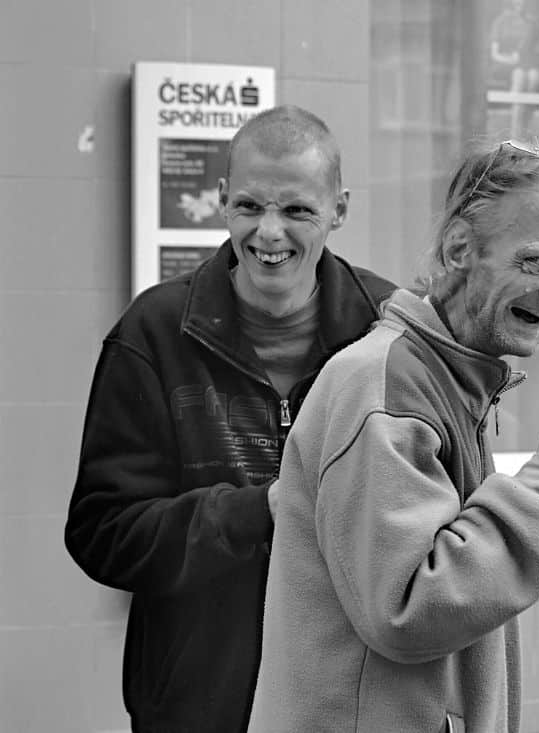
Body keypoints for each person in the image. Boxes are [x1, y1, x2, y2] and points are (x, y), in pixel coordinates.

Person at [247, 139, 539, 733]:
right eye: (537, 264)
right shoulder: (384, 386)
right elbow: (407, 610)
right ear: (459, 248)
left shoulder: (446, 377)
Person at [63, 105, 397, 733]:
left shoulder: (388, 331)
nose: (269, 232)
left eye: (296, 210)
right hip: (198, 705)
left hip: (351, 700)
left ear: (339, 210)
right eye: (249, 206)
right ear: (221, 199)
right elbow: (102, 534)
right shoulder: (154, 333)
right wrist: (257, 511)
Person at [489, 0, 539, 137]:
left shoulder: (531, 22)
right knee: (520, 76)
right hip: (505, 64)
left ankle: (526, 128)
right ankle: (515, 134)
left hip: (525, 64)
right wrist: (510, 60)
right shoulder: (500, 22)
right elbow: (494, 54)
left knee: (534, 77)